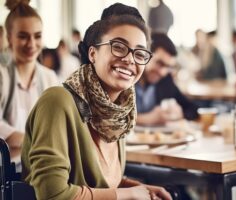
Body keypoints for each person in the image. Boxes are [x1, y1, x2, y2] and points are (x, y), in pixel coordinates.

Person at [21, 3, 172, 200]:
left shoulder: (118, 114)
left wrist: (139, 189)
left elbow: (102, 184)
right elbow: (53, 194)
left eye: (140, 53)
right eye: (118, 47)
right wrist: (126, 195)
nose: (130, 59)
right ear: (93, 53)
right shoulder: (56, 102)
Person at [0, 0, 59, 149]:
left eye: (37, 36)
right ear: (9, 39)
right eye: (23, 36)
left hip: (42, 165)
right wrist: (39, 142)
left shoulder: (49, 78)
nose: (31, 44)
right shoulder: (2, 76)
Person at [136, 32, 199, 126]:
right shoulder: (126, 78)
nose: (162, 72)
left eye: (168, 67)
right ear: (145, 55)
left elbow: (192, 109)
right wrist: (147, 119)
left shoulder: (165, 79)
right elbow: (108, 118)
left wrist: (179, 114)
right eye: (160, 63)